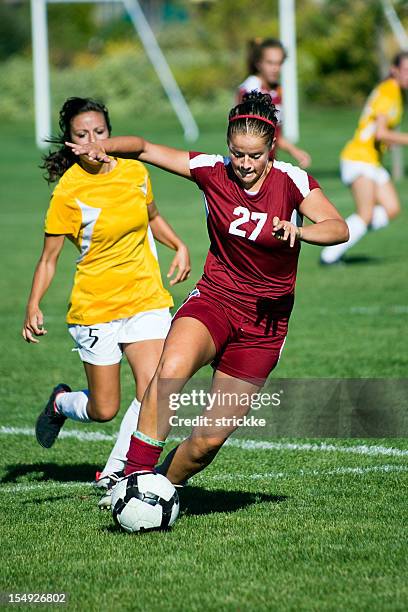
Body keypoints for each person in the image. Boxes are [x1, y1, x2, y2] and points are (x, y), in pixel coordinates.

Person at [67, 92, 348, 504]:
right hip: (215, 299)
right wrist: (101, 145)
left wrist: (301, 232)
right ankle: (133, 480)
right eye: (237, 154)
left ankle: (158, 488)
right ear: (228, 147)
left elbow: (338, 227)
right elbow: (144, 148)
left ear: (271, 149)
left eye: (254, 156)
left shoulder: (293, 181)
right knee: (171, 371)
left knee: (207, 442)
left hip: (264, 327)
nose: (246, 165)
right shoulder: (211, 170)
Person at [22, 97, 191, 490]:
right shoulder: (68, 191)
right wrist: (33, 304)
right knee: (104, 408)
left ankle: (118, 472)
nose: (92, 140)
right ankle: (62, 403)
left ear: (110, 134)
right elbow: (48, 259)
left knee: (154, 387)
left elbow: (152, 218)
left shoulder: (134, 172)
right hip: (96, 307)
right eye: (82, 134)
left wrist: (178, 245)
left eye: (99, 132)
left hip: (146, 297)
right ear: (70, 142)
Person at [321, 51, 408, 265]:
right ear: (394, 70)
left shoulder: (397, 92)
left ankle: (349, 233)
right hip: (359, 158)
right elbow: (380, 132)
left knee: (391, 208)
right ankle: (330, 255)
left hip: (371, 160)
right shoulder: (389, 91)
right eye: (406, 70)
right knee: (366, 214)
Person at [237, 37, 311, 168]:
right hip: (250, 167)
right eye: (270, 63)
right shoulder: (251, 90)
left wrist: (295, 151)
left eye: (279, 63)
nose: (275, 68)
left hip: (268, 164)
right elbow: (245, 136)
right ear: (258, 63)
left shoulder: (276, 91)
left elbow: (275, 134)